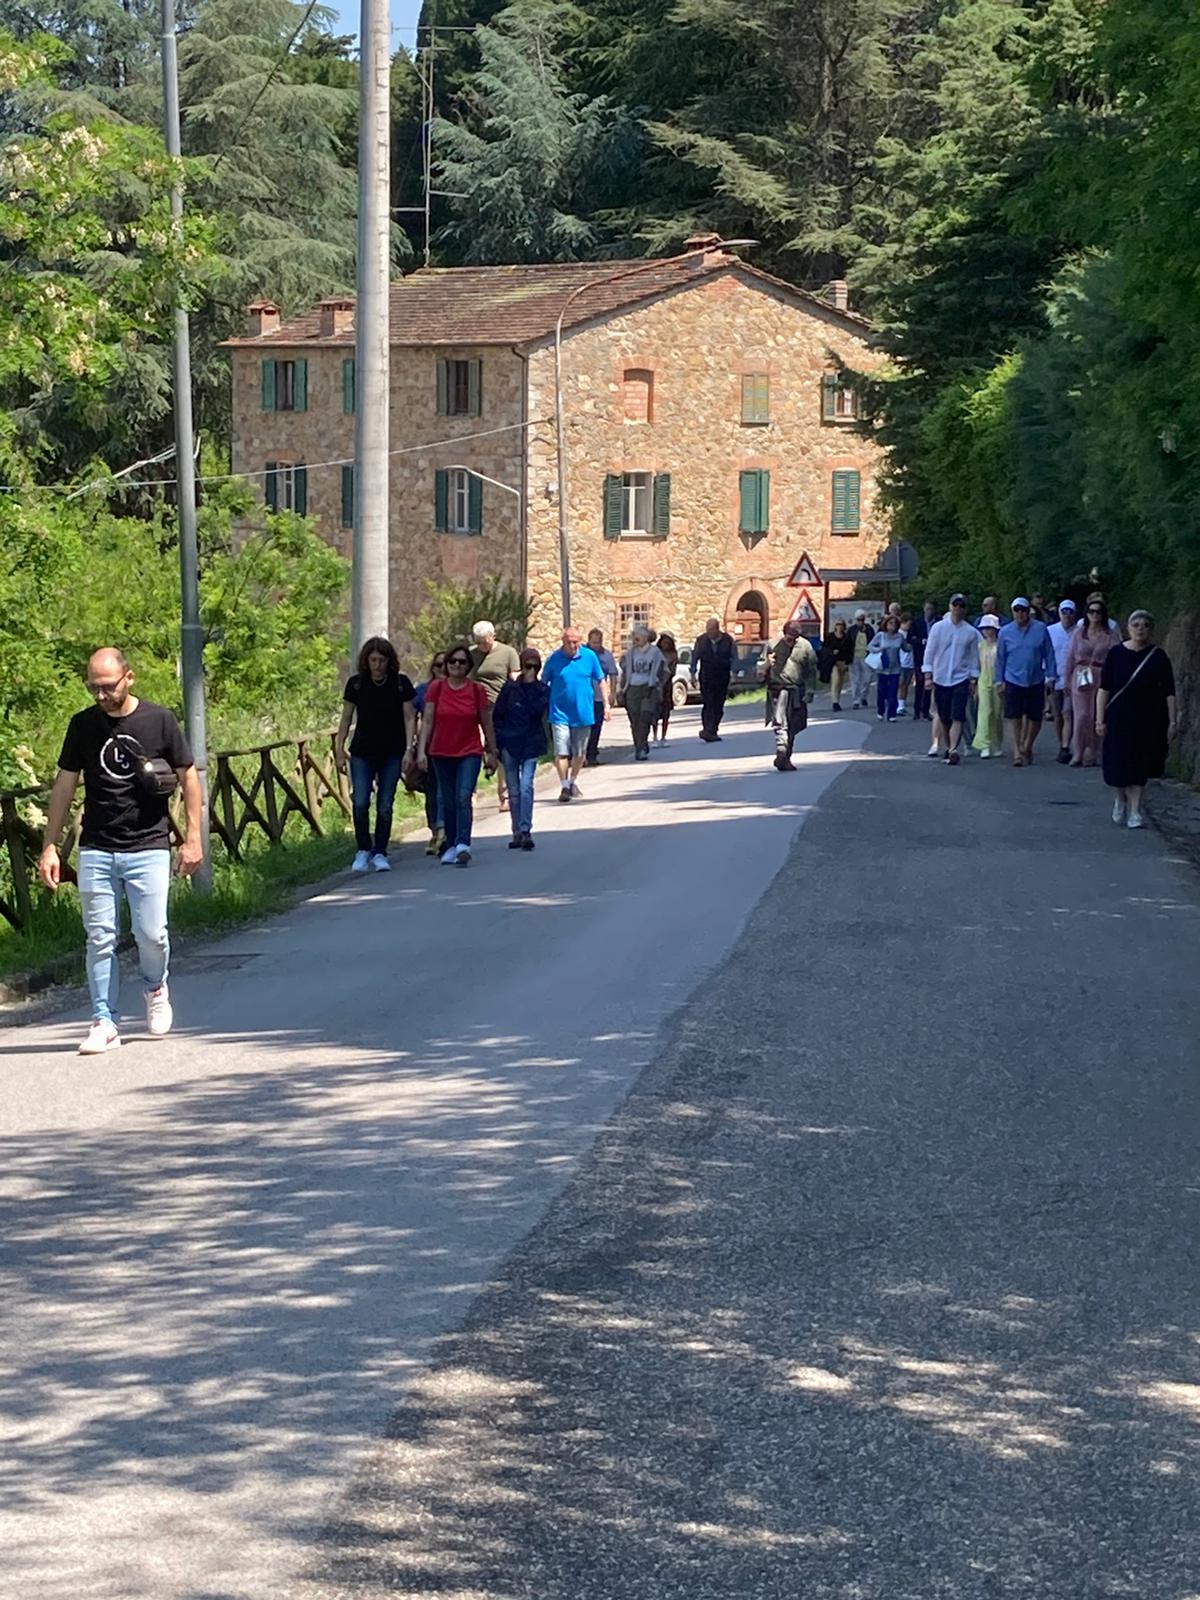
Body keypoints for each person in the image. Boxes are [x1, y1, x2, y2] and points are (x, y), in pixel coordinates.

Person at [37, 647, 203, 1055]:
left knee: (151, 934)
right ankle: (103, 1020)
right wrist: (50, 846)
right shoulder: (83, 726)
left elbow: (189, 776)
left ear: (128, 678)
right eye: (92, 687)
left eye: (107, 687)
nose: (99, 695)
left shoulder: (159, 720)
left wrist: (194, 837)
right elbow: (64, 785)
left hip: (148, 845)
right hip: (96, 847)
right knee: (99, 938)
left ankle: (155, 986)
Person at [335, 635, 416, 874]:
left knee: (385, 804)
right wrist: (338, 749)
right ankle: (363, 849)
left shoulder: (400, 683)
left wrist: (409, 749)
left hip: (392, 751)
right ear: (366, 661)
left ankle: (380, 851)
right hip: (362, 751)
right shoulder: (356, 684)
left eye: (382, 660)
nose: (378, 665)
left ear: (389, 661)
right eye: (373, 660)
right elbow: (346, 718)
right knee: (360, 802)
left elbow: (410, 716)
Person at [416, 646, 498, 866]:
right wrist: (421, 750)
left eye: (462, 662)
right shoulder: (436, 688)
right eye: (452, 662)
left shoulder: (476, 690)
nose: (456, 666)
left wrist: (492, 750)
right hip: (441, 751)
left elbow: (486, 722)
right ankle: (451, 844)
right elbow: (428, 720)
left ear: (468, 666)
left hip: (469, 751)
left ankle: (463, 843)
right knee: (448, 800)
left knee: (463, 796)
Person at [1097, 610, 1177, 829]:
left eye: (1145, 625)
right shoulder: (1116, 654)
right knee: (1117, 762)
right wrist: (1099, 719)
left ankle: (1135, 810)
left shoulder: (1158, 656)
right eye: (1136, 624)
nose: (1141, 628)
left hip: (1149, 718)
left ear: (1151, 629)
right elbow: (1104, 688)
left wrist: (1172, 720)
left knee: (1140, 762)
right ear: (1128, 628)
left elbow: (1169, 690)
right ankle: (1119, 799)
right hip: (1118, 716)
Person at [542, 628, 609, 800]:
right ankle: (564, 786)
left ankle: (572, 781)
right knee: (561, 752)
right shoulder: (554, 659)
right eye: (568, 642)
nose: (572, 645)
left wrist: (607, 705)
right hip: (559, 713)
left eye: (575, 642)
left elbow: (601, 680)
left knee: (580, 753)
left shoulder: (589, 656)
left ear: (580, 641)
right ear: (562, 641)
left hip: (583, 712)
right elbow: (544, 682)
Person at [494, 648, 549, 851]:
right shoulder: (509, 689)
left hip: (531, 743)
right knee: (514, 790)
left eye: (535, 667)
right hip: (510, 742)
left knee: (526, 786)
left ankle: (526, 829)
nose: (530, 670)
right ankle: (516, 830)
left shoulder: (542, 689)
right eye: (528, 666)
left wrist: (531, 685)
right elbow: (497, 715)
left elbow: (536, 712)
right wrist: (499, 742)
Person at [996, 597, 1057, 767]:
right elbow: (1000, 658)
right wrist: (999, 680)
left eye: (1023, 610)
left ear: (1028, 611)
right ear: (1012, 611)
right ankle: (1017, 751)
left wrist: (1051, 676)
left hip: (1035, 678)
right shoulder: (1005, 632)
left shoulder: (1040, 628)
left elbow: (1049, 653)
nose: (1020, 613)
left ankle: (1027, 745)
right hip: (1013, 678)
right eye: (1017, 610)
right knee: (1013, 716)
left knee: (1035, 717)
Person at [922, 593, 980, 765]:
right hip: (941, 678)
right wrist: (927, 675)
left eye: (961, 606)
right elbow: (930, 652)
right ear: (950, 606)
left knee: (958, 715)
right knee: (944, 717)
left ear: (965, 609)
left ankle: (954, 748)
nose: (958, 609)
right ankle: (949, 746)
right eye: (955, 605)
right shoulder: (938, 628)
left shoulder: (970, 632)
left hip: (960, 678)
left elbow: (973, 657)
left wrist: (973, 679)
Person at [470, 621, 520, 811]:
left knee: (499, 749)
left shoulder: (508, 652)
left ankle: (504, 794)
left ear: (493, 636)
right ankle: (470, 794)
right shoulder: (471, 654)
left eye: (485, 642)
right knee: (474, 749)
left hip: (501, 709)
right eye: (479, 642)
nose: (483, 646)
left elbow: (514, 678)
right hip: (476, 709)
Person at [1063, 597, 1117, 767]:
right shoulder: (1079, 633)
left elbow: (1117, 657)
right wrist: (1066, 679)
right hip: (1081, 675)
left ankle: (1094, 752)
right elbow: (1071, 656)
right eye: (1091, 611)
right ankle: (1078, 752)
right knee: (1082, 715)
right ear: (1086, 614)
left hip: (1102, 674)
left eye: (1098, 612)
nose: (1095, 615)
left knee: (1097, 715)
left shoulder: (1110, 635)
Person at [766, 623, 818, 770]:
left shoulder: (805, 646)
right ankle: (781, 750)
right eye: (789, 639)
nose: (792, 642)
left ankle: (785, 757)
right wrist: (766, 664)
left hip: (797, 690)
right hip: (779, 689)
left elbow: (812, 670)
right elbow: (760, 667)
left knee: (796, 724)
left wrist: (810, 691)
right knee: (780, 722)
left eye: (795, 639)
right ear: (784, 635)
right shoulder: (773, 644)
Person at [412, 653, 448, 855]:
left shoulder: (457, 688)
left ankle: (444, 831)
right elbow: (411, 715)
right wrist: (413, 748)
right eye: (438, 665)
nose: (442, 668)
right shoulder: (424, 691)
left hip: (453, 746)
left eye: (446, 664)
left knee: (445, 791)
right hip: (430, 746)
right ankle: (435, 830)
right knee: (432, 792)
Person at [620, 625, 667, 761]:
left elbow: (663, 669)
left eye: (637, 638)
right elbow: (625, 669)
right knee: (634, 719)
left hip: (649, 687)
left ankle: (641, 747)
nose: (635, 640)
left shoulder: (655, 652)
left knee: (645, 717)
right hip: (632, 687)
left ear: (646, 638)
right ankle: (639, 746)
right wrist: (622, 688)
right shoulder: (630, 653)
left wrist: (658, 685)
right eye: (633, 638)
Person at [690, 617, 736, 741]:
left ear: (717, 629)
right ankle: (707, 729)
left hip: (722, 675)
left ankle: (713, 729)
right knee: (708, 703)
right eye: (707, 629)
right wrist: (693, 674)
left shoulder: (728, 640)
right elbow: (695, 658)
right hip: (706, 676)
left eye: (711, 629)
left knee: (718, 704)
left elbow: (734, 657)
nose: (709, 632)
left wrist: (734, 674)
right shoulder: (701, 640)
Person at [1046, 599, 1078, 762]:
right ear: (1059, 613)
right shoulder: (1050, 630)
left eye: (1069, 612)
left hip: (1073, 680)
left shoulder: (1079, 631)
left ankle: (1066, 746)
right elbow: (1046, 654)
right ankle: (1061, 743)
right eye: (1064, 612)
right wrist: (1047, 676)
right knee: (1058, 714)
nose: (1066, 615)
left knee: (1068, 713)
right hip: (1055, 677)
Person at [584, 628, 618, 766]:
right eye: (593, 643)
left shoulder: (607, 655)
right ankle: (583, 754)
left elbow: (613, 675)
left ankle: (592, 754)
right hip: (585, 695)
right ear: (589, 641)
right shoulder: (583, 653)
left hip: (598, 695)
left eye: (598, 643)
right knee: (585, 726)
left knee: (596, 726)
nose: (596, 645)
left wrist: (612, 693)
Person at [971, 614, 1004, 757]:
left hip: (997, 681)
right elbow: (975, 665)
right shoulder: (980, 646)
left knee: (997, 714)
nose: (987, 631)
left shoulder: (1001, 645)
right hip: (983, 680)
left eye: (990, 628)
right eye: (984, 628)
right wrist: (974, 683)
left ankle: (996, 744)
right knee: (985, 711)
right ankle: (984, 745)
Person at [869, 614, 905, 721]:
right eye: (890, 623)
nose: (892, 625)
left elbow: (905, 647)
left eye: (895, 623)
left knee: (893, 692)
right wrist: (879, 649)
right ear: (886, 624)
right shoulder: (880, 636)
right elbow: (870, 646)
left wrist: (911, 647)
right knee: (881, 692)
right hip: (882, 668)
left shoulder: (900, 637)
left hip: (895, 668)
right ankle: (881, 710)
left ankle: (891, 714)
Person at [908, 600, 938, 720]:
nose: (929, 611)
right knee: (920, 683)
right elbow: (910, 638)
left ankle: (926, 711)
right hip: (920, 656)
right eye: (927, 609)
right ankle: (917, 710)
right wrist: (920, 641)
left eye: (931, 609)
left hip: (934, 658)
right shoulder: (917, 622)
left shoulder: (938, 622)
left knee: (929, 684)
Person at [652, 631, 679, 742]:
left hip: (667, 686)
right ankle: (654, 735)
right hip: (655, 684)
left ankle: (663, 735)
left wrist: (664, 679)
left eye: (668, 642)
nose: (665, 644)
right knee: (654, 711)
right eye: (664, 641)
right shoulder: (655, 653)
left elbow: (672, 671)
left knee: (665, 711)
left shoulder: (673, 655)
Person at [823, 618, 854, 711]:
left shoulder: (847, 637)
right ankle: (834, 702)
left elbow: (850, 651)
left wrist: (847, 663)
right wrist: (832, 652)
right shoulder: (830, 637)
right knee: (835, 680)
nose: (839, 626)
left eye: (841, 624)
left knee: (840, 683)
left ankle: (838, 700)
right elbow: (825, 650)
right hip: (833, 662)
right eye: (837, 624)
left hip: (843, 662)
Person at [847, 609, 874, 709]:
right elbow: (847, 643)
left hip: (866, 657)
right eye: (858, 619)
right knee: (855, 679)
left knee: (867, 678)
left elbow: (873, 641)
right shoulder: (851, 630)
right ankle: (856, 700)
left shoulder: (869, 629)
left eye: (862, 619)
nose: (860, 622)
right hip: (854, 656)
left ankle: (864, 696)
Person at [896, 613, 915, 716]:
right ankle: (899, 705)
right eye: (908, 623)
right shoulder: (899, 634)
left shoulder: (911, 634)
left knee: (906, 685)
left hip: (910, 663)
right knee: (901, 685)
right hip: (902, 663)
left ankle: (902, 703)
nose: (909, 626)